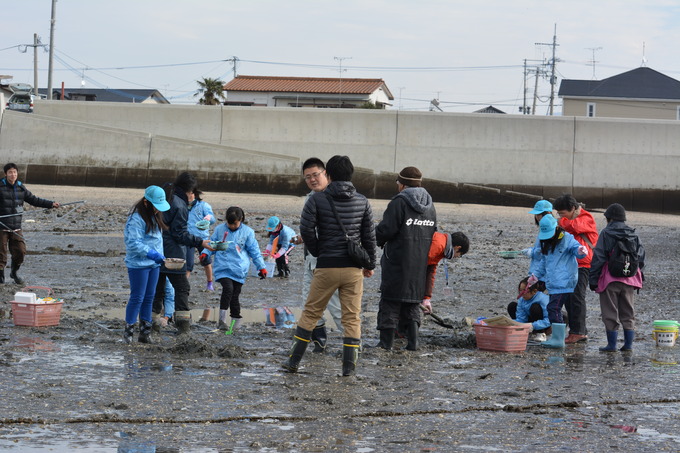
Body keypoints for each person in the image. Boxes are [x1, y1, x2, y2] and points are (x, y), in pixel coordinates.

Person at [283, 155, 377, 376]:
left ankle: (293, 363)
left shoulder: (316, 200)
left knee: (311, 313)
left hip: (326, 267)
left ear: (329, 174)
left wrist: (318, 251)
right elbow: (369, 237)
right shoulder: (363, 201)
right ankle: (348, 369)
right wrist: (370, 264)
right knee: (351, 317)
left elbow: (306, 230)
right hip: (354, 269)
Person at [375, 166, 436, 351]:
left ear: (402, 184)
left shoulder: (399, 203)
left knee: (390, 301)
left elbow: (387, 229)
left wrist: (376, 237)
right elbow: (433, 232)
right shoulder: (430, 206)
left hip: (397, 261)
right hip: (419, 263)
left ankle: (386, 344)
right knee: (412, 301)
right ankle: (413, 342)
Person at [151, 172, 212, 334]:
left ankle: (151, 325)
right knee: (182, 287)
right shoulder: (179, 205)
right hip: (173, 255)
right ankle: (183, 328)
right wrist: (201, 242)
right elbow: (180, 234)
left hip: (155, 251)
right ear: (189, 189)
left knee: (157, 290)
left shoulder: (166, 195)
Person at [200, 206, 268, 331]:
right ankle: (221, 321)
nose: (231, 226)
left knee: (235, 295)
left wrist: (261, 267)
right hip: (223, 267)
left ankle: (235, 324)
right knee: (228, 289)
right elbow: (212, 244)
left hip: (239, 269)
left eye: (234, 224)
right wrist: (205, 253)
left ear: (241, 219)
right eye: (229, 223)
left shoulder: (248, 232)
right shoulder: (220, 230)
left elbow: (254, 251)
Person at [588, 203, 645, 352]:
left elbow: (599, 257)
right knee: (628, 312)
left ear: (609, 219)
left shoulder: (606, 233)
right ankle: (628, 345)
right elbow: (641, 257)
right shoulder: (633, 234)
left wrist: (593, 279)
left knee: (609, 312)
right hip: (629, 279)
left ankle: (611, 345)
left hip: (610, 279)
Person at [300, 158, 343, 352]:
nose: (312, 179)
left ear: (325, 173)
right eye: (308, 177)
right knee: (308, 303)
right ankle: (319, 341)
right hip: (311, 259)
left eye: (315, 175)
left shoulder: (337, 196)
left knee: (336, 306)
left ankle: (353, 344)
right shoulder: (310, 198)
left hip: (330, 260)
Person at [123, 186, 170, 344]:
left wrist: (160, 256)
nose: (158, 210)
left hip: (154, 264)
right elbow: (133, 243)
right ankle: (128, 333)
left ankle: (145, 332)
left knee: (149, 297)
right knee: (137, 297)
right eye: (156, 206)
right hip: (138, 264)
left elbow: (157, 241)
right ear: (146, 202)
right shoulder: (136, 218)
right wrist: (151, 253)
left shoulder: (155, 217)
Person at [532, 214, 587, 348]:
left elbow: (576, 249)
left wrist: (581, 251)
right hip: (554, 283)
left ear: (556, 228)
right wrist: (535, 276)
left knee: (553, 307)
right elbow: (543, 262)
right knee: (555, 308)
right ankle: (558, 337)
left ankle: (558, 339)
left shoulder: (567, 238)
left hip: (565, 282)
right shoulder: (547, 243)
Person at [0, 163, 60, 284]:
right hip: (1, 226)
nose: (13, 175)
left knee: (20, 251)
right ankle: (1, 277)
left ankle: (14, 272)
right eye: (10, 172)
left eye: (15, 172)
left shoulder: (21, 188)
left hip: (16, 227)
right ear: (6, 174)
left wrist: (50, 204)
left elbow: (34, 200)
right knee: (1, 253)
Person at [553, 194, 598, 344]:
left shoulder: (586, 217)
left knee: (577, 297)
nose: (560, 216)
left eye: (562, 213)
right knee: (569, 298)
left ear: (573, 208)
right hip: (569, 264)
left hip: (583, 264)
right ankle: (578, 330)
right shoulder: (570, 219)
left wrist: (561, 221)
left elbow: (575, 226)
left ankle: (578, 332)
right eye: (558, 214)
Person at [421, 231, 469, 314]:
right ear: (457, 248)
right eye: (460, 255)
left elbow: (430, 271)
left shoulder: (443, 249)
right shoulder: (439, 244)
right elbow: (417, 266)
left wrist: (426, 298)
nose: (457, 257)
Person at [186, 188, 216, 290]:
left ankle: (209, 283)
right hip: (188, 238)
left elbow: (212, 218)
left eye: (189, 193)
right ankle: (184, 286)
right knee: (188, 264)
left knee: (206, 261)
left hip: (202, 237)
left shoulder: (203, 205)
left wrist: (208, 218)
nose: (188, 195)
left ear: (194, 194)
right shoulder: (182, 205)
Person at [507, 276, 551, 342]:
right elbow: (521, 318)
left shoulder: (543, 300)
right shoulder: (522, 300)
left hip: (546, 323)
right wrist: (513, 324)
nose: (522, 294)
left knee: (535, 307)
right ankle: (523, 331)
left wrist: (533, 325)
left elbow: (549, 319)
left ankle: (540, 333)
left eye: (524, 291)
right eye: (520, 290)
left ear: (534, 291)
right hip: (530, 320)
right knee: (512, 306)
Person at [525, 199, 553, 287]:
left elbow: (545, 252)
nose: (537, 217)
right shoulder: (544, 228)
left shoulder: (550, 229)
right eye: (536, 214)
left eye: (539, 214)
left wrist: (532, 252)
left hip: (541, 275)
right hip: (537, 273)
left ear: (548, 212)